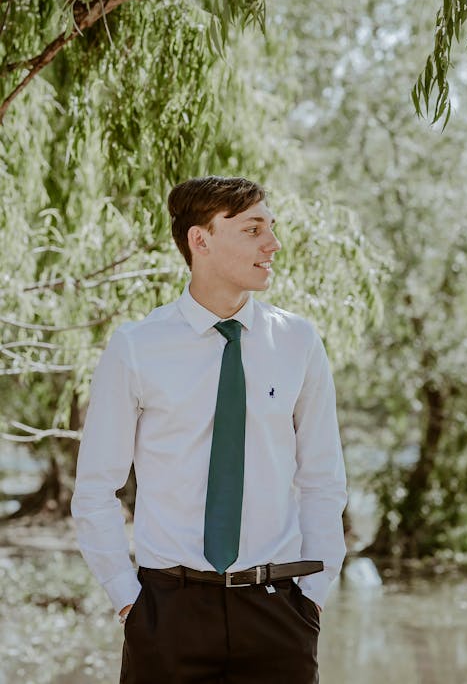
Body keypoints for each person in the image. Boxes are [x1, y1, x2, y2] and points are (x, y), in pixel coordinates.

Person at [71, 175, 348, 684]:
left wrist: (314, 594)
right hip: (167, 615)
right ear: (201, 240)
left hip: (278, 613)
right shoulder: (136, 347)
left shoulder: (299, 342)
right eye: (252, 229)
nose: (273, 243)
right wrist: (127, 599)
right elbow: (94, 489)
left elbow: (322, 479)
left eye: (271, 227)